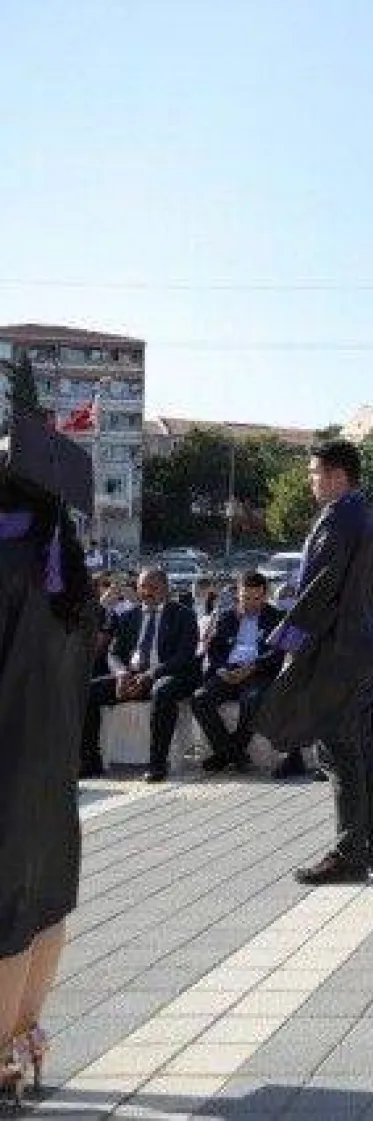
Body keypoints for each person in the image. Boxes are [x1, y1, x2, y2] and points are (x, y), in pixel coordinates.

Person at [0, 390, 98, 1104]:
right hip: (51, 767)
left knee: (4, 915)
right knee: (44, 905)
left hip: (3, 760)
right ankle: (26, 1041)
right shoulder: (70, 578)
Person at [255, 439, 373, 885]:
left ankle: (351, 853)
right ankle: (369, 845)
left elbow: (321, 592)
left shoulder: (340, 518)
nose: (311, 482)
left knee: (340, 749)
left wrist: (289, 640)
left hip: (339, 652)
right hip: (364, 645)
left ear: (336, 475)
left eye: (315, 474)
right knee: (359, 748)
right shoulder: (368, 516)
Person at [81, 568, 202, 782]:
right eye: (142, 587)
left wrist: (150, 674)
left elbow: (184, 656)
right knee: (87, 690)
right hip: (132, 676)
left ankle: (157, 765)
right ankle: (90, 760)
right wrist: (120, 674)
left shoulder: (184, 615)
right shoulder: (129, 616)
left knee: (162, 691)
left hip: (170, 674)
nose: (147, 592)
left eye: (153, 588)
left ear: (166, 589)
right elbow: (114, 653)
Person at [190, 570, 285, 774]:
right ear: (238, 595)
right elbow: (214, 649)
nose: (250, 603)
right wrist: (222, 669)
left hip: (257, 673)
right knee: (199, 698)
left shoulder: (276, 617)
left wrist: (252, 667)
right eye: (245, 598)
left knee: (252, 700)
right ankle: (232, 753)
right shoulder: (225, 617)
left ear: (265, 595)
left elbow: (277, 654)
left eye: (256, 598)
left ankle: (226, 755)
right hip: (228, 673)